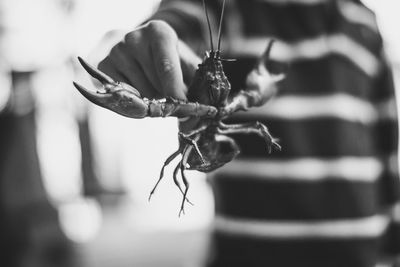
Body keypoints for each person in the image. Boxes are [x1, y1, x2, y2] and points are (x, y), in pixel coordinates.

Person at [95, 0, 399, 266]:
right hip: (247, 254)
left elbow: (389, 148)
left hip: (360, 255)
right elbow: (181, 23)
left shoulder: (365, 23)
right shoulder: (223, 7)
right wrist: (158, 42)